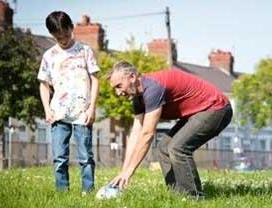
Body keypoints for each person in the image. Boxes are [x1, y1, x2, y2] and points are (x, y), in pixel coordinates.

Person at [108, 61, 232, 199]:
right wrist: (124, 172)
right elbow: (136, 134)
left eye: (119, 86)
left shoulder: (153, 88)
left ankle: (193, 198)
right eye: (115, 88)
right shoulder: (138, 99)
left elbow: (147, 134)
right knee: (163, 148)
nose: (118, 92)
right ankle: (177, 196)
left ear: (132, 77)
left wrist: (130, 171)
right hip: (197, 113)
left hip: (216, 108)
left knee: (177, 148)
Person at [37, 11, 99, 193]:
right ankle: (62, 194)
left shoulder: (85, 51)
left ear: (72, 28)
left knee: (86, 157)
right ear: (52, 35)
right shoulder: (49, 56)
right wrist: (47, 110)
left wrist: (92, 108)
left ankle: (88, 193)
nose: (63, 40)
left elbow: (95, 80)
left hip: (83, 113)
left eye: (66, 34)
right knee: (59, 158)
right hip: (58, 114)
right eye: (58, 37)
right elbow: (44, 85)